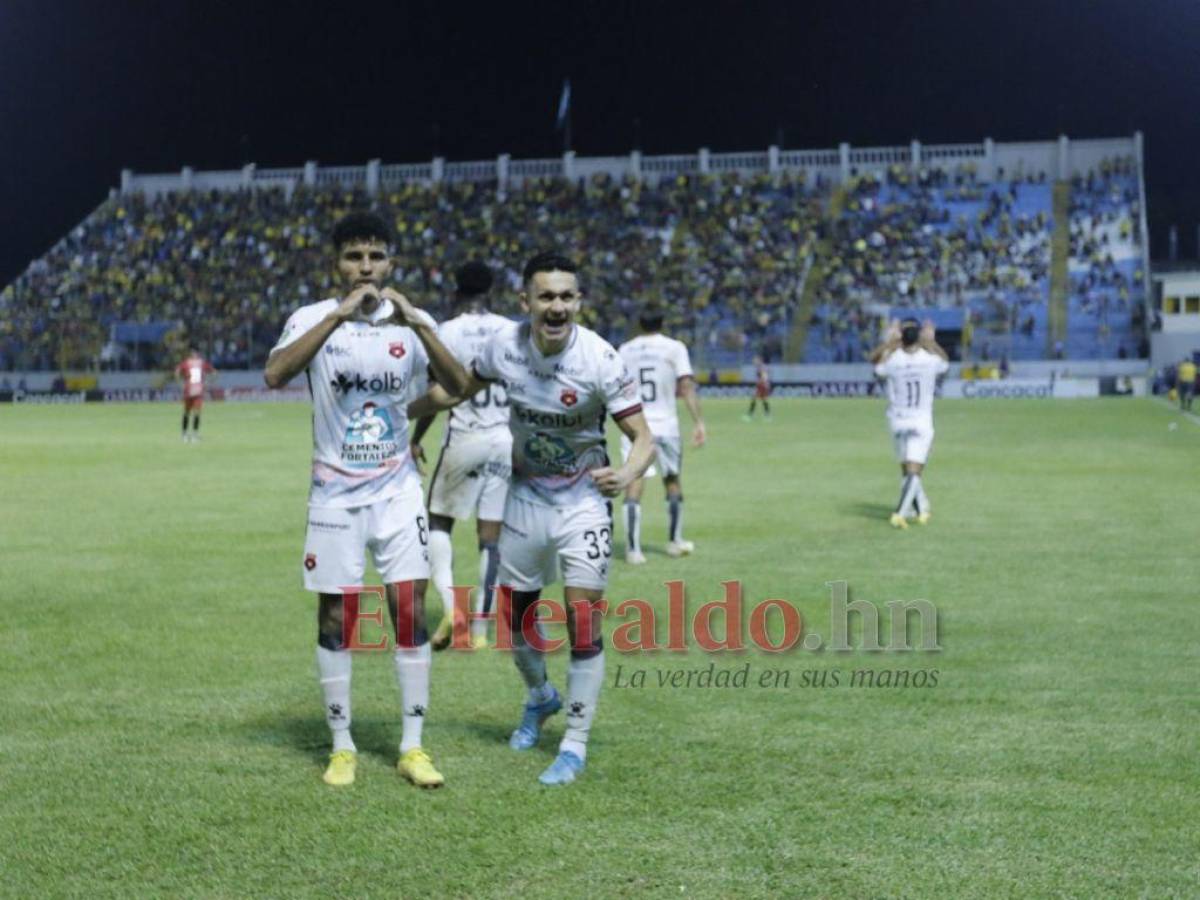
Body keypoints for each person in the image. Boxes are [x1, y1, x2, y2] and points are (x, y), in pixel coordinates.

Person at [408, 251, 655, 786]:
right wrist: (400, 413)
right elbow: (455, 391)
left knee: (581, 618)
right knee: (515, 620)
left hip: (584, 502)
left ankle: (574, 743)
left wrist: (626, 470)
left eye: (567, 296)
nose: (558, 306)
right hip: (524, 498)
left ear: (579, 301)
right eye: (547, 296)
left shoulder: (600, 358)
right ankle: (541, 697)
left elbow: (644, 438)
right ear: (526, 302)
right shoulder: (504, 348)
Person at [263, 211, 470, 789]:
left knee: (408, 611)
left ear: (390, 263)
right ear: (336, 263)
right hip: (334, 496)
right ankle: (342, 745)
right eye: (354, 256)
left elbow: (456, 388)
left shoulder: (411, 323)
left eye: (376, 256)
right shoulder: (312, 317)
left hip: (397, 492)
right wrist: (336, 317)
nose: (365, 267)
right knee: (336, 617)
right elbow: (276, 373)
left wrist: (421, 325)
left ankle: (412, 746)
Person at [410, 262, 513, 651]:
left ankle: (454, 608)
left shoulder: (446, 332)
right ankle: (483, 629)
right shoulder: (511, 330)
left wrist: (416, 437)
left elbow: (440, 392)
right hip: (504, 438)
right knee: (491, 537)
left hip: (465, 436)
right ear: (492, 290)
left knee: (437, 520)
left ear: (456, 292)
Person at [617, 306, 707, 563]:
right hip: (667, 425)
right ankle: (675, 541)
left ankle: (633, 550)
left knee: (634, 484)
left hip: (636, 425)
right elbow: (686, 385)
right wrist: (698, 422)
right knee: (673, 481)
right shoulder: (674, 348)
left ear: (640, 323)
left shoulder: (626, 349)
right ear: (662, 322)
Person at [870, 318, 950, 529]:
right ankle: (900, 513)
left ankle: (922, 509)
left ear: (901, 340)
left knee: (907, 470)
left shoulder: (894, 360)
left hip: (897, 420)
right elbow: (945, 363)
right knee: (914, 471)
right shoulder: (929, 359)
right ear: (919, 339)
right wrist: (931, 342)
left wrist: (889, 342)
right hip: (921, 420)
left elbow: (875, 364)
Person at [174, 348, 215, 442]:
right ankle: (193, 435)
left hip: (190, 390)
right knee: (194, 413)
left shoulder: (186, 362)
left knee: (188, 413)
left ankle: (186, 435)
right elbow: (214, 373)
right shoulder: (201, 363)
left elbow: (176, 372)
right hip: (196, 390)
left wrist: (180, 383)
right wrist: (207, 383)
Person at [744, 356, 771, 420]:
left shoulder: (762, 368)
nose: (754, 362)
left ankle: (749, 415)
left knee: (755, 399)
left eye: (755, 361)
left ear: (759, 361)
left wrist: (763, 383)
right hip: (762, 385)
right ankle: (767, 415)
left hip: (762, 386)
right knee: (763, 399)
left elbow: (765, 377)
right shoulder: (760, 367)